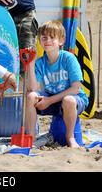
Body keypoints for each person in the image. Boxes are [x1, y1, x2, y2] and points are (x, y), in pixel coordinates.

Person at [25, 20, 89, 148]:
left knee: (68, 100)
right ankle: (31, 138)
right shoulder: (40, 62)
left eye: (52, 37)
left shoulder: (68, 59)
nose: (48, 40)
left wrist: (49, 100)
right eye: (44, 37)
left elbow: (76, 89)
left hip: (75, 100)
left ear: (61, 41)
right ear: (39, 40)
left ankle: (70, 137)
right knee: (31, 96)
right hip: (53, 99)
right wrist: (30, 63)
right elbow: (33, 88)